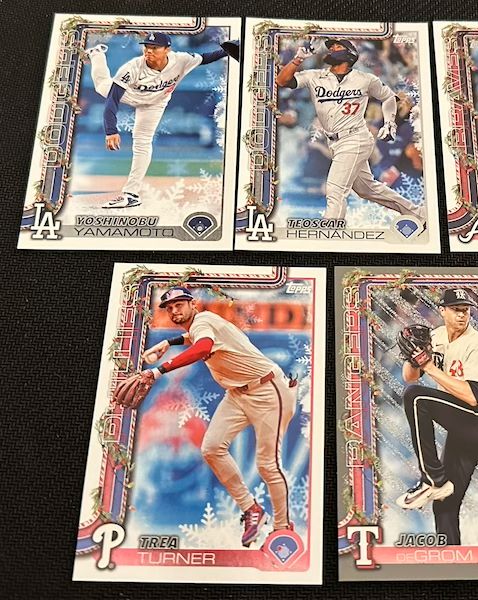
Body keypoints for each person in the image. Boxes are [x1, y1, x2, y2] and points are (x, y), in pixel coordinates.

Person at [140, 286, 297, 547]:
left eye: (179, 304)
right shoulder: (200, 324)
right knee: (212, 449)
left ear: (193, 304)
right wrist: (167, 343)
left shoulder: (203, 321)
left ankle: (282, 528)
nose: (174, 310)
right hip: (237, 395)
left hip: (268, 391)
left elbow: (202, 347)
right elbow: (194, 337)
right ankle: (252, 509)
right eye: (170, 307)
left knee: (267, 465)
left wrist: (159, 370)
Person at [396, 289, 478, 545]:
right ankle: (451, 556)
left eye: (465, 310)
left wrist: (429, 366)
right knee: (445, 502)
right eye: (456, 309)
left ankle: (431, 479)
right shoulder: (436, 337)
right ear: (442, 311)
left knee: (416, 398)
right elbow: (410, 377)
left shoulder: (476, 345)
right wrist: (412, 358)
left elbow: (471, 397)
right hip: (463, 426)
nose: (461, 315)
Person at [275, 38, 425, 222]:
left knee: (334, 188)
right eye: (330, 47)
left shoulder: (365, 79)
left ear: (350, 54)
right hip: (334, 141)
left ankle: (332, 228)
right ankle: (418, 213)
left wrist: (389, 122)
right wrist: (297, 59)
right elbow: (281, 81)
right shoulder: (315, 76)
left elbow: (389, 97)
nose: (331, 49)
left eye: (337, 47)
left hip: (356, 137)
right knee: (368, 189)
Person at [85, 32, 239, 208]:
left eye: (154, 47)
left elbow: (205, 58)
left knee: (142, 142)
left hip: (155, 102)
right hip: (129, 95)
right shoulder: (131, 68)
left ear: (167, 49)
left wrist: (228, 49)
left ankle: (131, 194)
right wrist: (111, 130)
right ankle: (96, 53)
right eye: (146, 47)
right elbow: (112, 101)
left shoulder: (181, 60)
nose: (148, 51)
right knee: (101, 86)